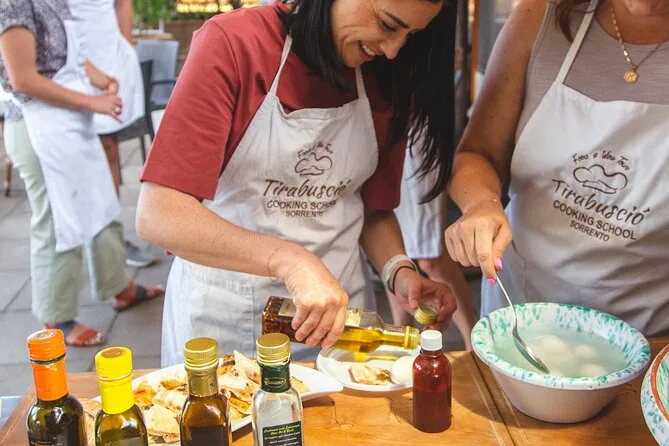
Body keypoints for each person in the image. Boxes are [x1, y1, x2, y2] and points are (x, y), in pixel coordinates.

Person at [136, 0, 460, 365]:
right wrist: (290, 260)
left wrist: (399, 271)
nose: (392, 49)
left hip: (339, 327)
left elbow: (372, 212)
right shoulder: (236, 45)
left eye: (410, 35)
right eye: (387, 25)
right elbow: (160, 213)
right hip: (227, 320)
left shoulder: (386, 76)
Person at [444, 0, 669, 337]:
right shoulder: (540, 17)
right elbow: (479, 152)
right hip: (520, 315)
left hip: (647, 337)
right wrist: (480, 205)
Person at [0, 0, 164, 346]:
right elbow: (23, 79)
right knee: (59, 223)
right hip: (38, 128)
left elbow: (67, 53)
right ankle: (56, 318)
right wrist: (93, 102)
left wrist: (99, 78)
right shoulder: (13, 5)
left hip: (70, 123)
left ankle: (119, 286)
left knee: (102, 203)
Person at [67, 0, 154, 268]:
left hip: (108, 57)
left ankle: (110, 242)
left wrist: (124, 45)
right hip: (70, 63)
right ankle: (90, 240)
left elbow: (122, 3)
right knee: (78, 158)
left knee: (110, 151)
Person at [391, 135, 478, 350]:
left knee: (431, 256)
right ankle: (402, 343)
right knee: (393, 247)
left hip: (417, 133)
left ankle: (474, 343)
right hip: (384, 133)